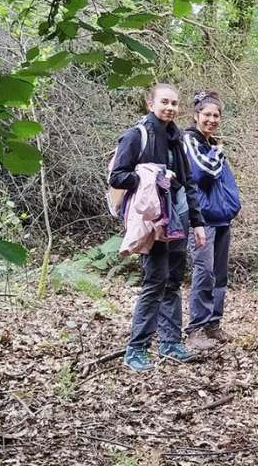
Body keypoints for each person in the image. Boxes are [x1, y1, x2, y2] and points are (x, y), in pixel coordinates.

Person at [109, 83, 207, 372]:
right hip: (152, 220)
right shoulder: (136, 135)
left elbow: (188, 183)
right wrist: (149, 177)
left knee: (174, 280)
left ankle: (170, 342)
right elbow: (117, 177)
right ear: (150, 103)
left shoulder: (176, 138)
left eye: (175, 104)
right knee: (155, 280)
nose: (170, 108)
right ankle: (136, 348)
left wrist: (198, 223)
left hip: (177, 217)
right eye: (164, 102)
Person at [182, 90, 241, 351]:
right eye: (207, 114)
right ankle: (196, 328)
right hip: (201, 219)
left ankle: (213, 324)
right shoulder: (190, 141)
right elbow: (203, 174)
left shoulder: (209, 144)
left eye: (216, 115)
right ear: (196, 116)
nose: (212, 119)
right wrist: (218, 154)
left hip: (221, 218)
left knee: (219, 274)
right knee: (203, 271)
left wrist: (215, 151)